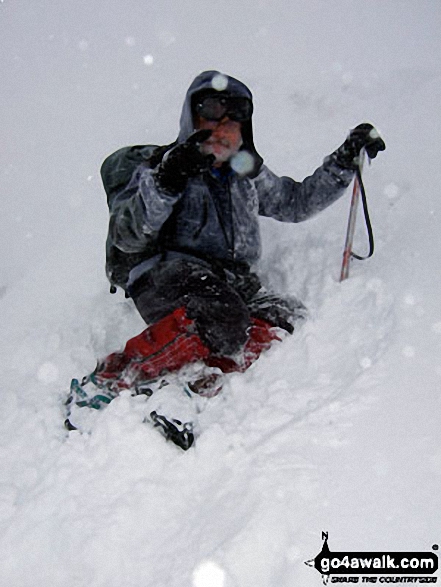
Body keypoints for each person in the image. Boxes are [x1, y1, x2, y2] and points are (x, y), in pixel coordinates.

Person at [67, 70, 385, 448]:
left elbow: (294, 203)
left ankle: (195, 381)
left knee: (284, 317)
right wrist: (169, 178)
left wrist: (344, 161)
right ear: (191, 121)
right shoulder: (163, 168)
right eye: (211, 116)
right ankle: (114, 377)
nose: (223, 128)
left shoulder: (245, 174)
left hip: (232, 282)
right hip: (168, 272)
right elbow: (127, 232)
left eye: (234, 120)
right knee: (223, 314)